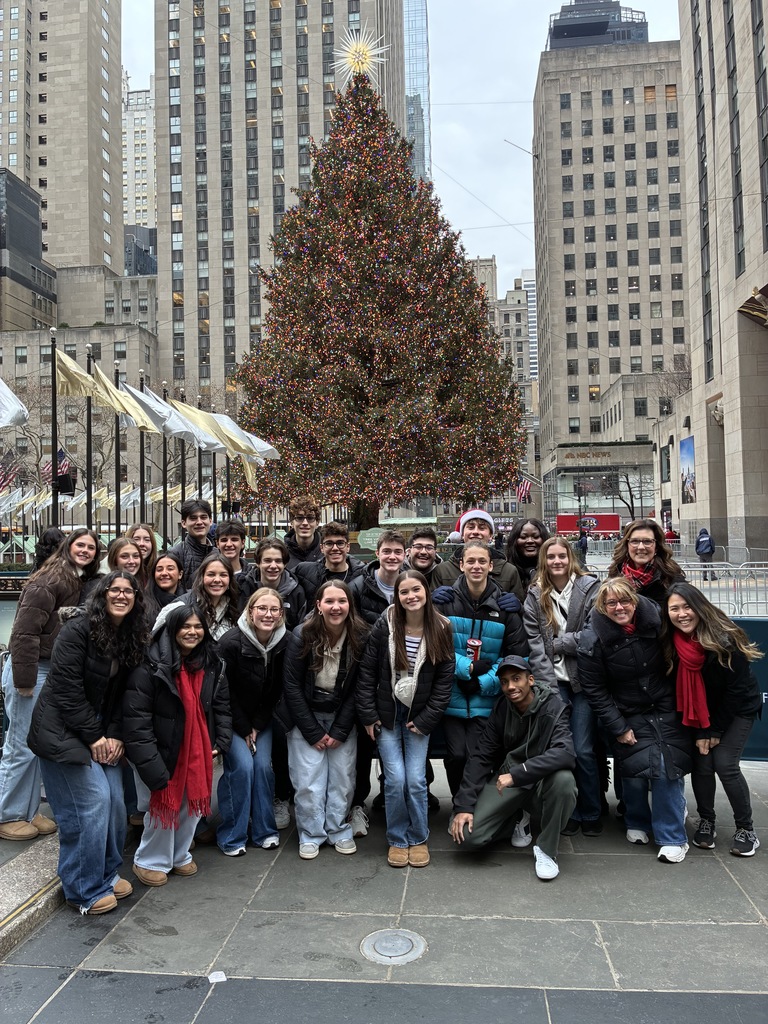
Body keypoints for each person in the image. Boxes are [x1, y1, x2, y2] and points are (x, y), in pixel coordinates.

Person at [27, 571, 149, 914]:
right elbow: (65, 691)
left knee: (114, 801)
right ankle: (82, 889)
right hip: (61, 732)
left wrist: (114, 735)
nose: (122, 595)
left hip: (99, 732)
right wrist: (95, 736)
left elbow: (123, 695)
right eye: (115, 590)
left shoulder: (130, 636)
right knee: (90, 802)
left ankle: (105, 873)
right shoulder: (76, 631)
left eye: (129, 591)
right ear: (102, 594)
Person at [578, 578, 693, 863]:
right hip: (626, 709)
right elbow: (594, 688)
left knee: (666, 766)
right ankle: (637, 819)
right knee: (634, 765)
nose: (620, 608)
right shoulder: (593, 638)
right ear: (602, 608)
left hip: (665, 704)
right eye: (611, 603)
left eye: (625, 600)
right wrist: (618, 725)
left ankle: (672, 836)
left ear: (635, 600)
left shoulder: (657, 623)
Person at [0, 528, 101, 842]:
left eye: (91, 547)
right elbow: (23, 634)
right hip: (32, 671)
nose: (85, 550)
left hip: (48, 669)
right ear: (68, 547)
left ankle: (27, 810)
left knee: (35, 743)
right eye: (80, 545)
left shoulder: (71, 577)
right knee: (19, 745)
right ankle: (8, 814)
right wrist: (25, 681)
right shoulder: (49, 579)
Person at [124, 602, 231, 886]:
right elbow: (136, 718)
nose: (192, 632)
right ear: (171, 629)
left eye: (198, 627)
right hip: (160, 746)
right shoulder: (149, 664)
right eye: (185, 626)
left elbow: (221, 704)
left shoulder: (210, 662)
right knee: (163, 804)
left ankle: (179, 854)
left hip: (196, 744)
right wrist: (149, 759)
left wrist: (222, 738)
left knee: (189, 803)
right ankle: (149, 860)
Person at [357, 570, 454, 868]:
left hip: (418, 716)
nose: (411, 596)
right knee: (395, 778)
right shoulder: (385, 626)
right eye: (404, 592)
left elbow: (444, 682)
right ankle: (398, 837)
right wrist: (369, 716)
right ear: (396, 597)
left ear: (426, 591)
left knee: (415, 779)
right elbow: (367, 674)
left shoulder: (441, 627)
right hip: (387, 714)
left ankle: (419, 836)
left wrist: (426, 719)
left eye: (416, 590)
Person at [449, 656, 577, 881]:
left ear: (530, 680)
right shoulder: (502, 706)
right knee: (468, 837)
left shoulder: (554, 705)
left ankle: (547, 850)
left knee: (564, 780)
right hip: (507, 781)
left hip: (540, 781)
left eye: (516, 679)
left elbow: (565, 753)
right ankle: (517, 817)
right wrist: (464, 805)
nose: (510, 687)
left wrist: (519, 774)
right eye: (505, 681)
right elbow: (481, 756)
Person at [662, 582, 763, 856]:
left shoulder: (724, 638)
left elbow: (737, 691)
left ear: (699, 607)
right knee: (702, 764)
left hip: (736, 708)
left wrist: (713, 729)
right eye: (674, 608)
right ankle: (706, 821)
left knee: (725, 764)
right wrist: (702, 728)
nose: (682, 614)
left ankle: (747, 829)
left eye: (686, 607)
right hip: (696, 711)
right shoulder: (670, 642)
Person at [276, 581, 368, 859]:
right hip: (306, 714)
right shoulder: (301, 635)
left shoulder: (360, 636)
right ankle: (311, 833)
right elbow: (291, 686)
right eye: (329, 601)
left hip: (343, 715)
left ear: (349, 604)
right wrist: (312, 731)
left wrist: (340, 729)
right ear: (318, 605)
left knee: (342, 778)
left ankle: (339, 829)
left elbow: (360, 687)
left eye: (342, 601)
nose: (336, 607)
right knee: (308, 779)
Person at [437, 540, 529, 797]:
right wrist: (467, 668)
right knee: (456, 755)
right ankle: (459, 803)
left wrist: (482, 681)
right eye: (471, 561)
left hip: (488, 696)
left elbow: (517, 656)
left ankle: (477, 805)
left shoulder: (505, 607)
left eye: (481, 561)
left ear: (490, 565)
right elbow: (435, 646)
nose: (476, 566)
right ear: (461, 565)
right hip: (452, 694)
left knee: (480, 755)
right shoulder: (445, 603)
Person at [524, 537, 602, 836]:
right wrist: (550, 688)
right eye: (551, 557)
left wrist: (557, 644)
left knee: (583, 750)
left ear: (571, 558)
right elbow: (535, 647)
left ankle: (591, 810)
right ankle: (566, 811)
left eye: (562, 556)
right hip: (553, 683)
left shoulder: (590, 587)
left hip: (584, 682)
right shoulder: (534, 595)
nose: (557, 561)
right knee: (560, 750)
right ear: (544, 561)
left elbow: (592, 633)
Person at [216, 587, 289, 855]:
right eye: (262, 608)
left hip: (262, 720)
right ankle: (232, 835)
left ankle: (264, 830)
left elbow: (277, 690)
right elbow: (223, 691)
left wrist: (257, 725)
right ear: (250, 611)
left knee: (263, 769)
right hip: (232, 719)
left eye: (274, 609)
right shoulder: (230, 643)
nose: (268, 614)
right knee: (243, 768)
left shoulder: (285, 642)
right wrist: (245, 728)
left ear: (281, 614)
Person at [431, 509, 524, 600]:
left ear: (491, 534)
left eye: (482, 528)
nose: (475, 532)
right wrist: (432, 599)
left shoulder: (509, 571)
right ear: (462, 534)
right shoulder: (442, 571)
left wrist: (518, 606)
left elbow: (521, 609)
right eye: (470, 527)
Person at [153, 553, 239, 640]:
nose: (217, 580)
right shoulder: (178, 607)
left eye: (223, 575)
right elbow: (157, 642)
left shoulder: (232, 610)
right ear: (201, 578)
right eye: (211, 574)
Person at [607, 518, 684, 607]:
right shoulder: (615, 573)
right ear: (626, 545)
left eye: (647, 541)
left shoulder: (671, 576)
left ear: (657, 546)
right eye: (634, 541)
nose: (641, 547)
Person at [294, 521, 365, 606]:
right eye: (329, 543)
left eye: (340, 543)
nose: (335, 548)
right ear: (322, 548)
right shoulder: (305, 572)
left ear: (348, 547)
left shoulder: (362, 575)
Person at [249, 537, 307, 630]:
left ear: (285, 564)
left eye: (278, 561)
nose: (273, 566)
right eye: (267, 560)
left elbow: (300, 629)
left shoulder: (297, 593)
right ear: (258, 563)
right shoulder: (245, 587)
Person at [170, 498, 215, 579]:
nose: (199, 522)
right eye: (193, 518)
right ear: (184, 523)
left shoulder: (218, 554)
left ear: (210, 521)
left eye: (203, 517)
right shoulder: (175, 554)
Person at [505, 518, 550, 591]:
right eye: (523, 537)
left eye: (535, 537)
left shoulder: (555, 570)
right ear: (514, 541)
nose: (530, 541)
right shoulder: (505, 571)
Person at [142, 551, 186, 623]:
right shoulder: (143, 602)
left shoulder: (189, 600)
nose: (164, 573)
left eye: (170, 569)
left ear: (180, 574)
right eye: (159, 570)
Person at [284, 494, 324, 570]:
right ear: (292, 522)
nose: (305, 523)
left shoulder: (327, 552)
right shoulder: (282, 553)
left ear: (317, 523)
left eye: (310, 518)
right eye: (299, 518)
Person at [215, 519, 250, 590]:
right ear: (217, 544)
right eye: (224, 540)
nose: (229, 544)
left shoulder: (252, 577)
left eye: (234, 539)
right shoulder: (208, 576)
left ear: (243, 543)